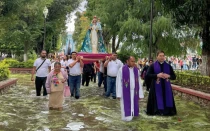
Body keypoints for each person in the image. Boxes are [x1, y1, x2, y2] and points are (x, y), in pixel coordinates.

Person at [146, 50, 177, 116]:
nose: (162, 57)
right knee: (156, 102)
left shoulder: (168, 66)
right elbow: (147, 75)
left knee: (167, 101)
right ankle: (157, 112)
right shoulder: (153, 66)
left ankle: (167, 112)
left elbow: (174, 76)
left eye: (163, 56)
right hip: (155, 87)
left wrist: (169, 76)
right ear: (157, 56)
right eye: (160, 56)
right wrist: (157, 75)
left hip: (166, 88)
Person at [116, 56, 144, 121]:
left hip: (134, 92)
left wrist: (140, 94)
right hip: (125, 92)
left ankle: (133, 117)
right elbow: (118, 83)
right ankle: (126, 120)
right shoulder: (121, 70)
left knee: (134, 108)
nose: (134, 63)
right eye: (132, 61)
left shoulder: (136, 70)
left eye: (134, 61)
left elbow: (139, 82)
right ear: (127, 61)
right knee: (126, 112)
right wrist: (119, 94)